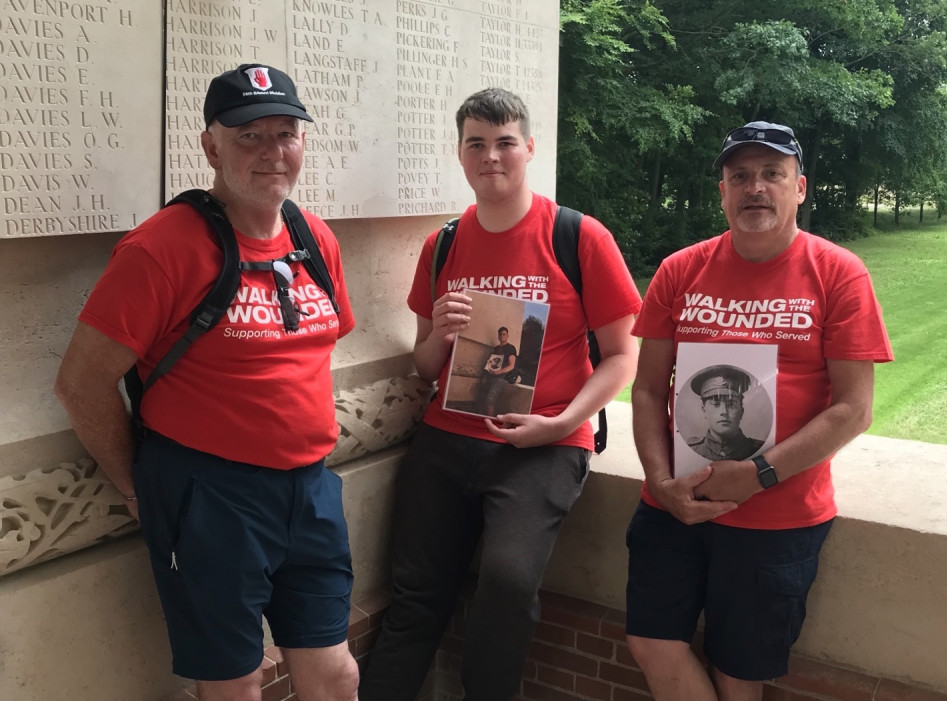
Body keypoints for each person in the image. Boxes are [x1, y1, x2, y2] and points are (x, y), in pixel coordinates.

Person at [54, 64, 359, 701]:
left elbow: (319, 349)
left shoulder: (314, 238)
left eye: (286, 133)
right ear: (210, 145)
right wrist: (134, 484)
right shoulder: (161, 248)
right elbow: (81, 385)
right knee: (233, 685)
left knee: (335, 673)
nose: (272, 152)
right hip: (210, 497)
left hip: (310, 490)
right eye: (249, 135)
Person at [358, 87, 642, 701]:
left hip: (544, 443)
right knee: (416, 595)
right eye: (477, 144)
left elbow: (623, 355)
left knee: (508, 586)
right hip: (448, 436)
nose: (492, 156)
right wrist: (443, 327)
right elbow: (426, 363)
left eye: (505, 142)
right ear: (460, 155)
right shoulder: (443, 245)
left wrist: (562, 421)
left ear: (529, 148)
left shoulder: (579, 236)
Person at [627, 121, 893, 701]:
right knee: (651, 641)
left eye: (772, 174)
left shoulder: (839, 273)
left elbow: (854, 409)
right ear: (721, 190)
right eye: (740, 176)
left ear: (799, 187)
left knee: (738, 671)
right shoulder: (679, 271)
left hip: (778, 516)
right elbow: (647, 389)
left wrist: (757, 474)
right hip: (674, 503)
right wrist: (660, 481)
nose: (755, 187)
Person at [686, 365, 764, 461]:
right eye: (715, 404)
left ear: (741, 412)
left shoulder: (761, 449)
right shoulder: (691, 449)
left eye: (731, 404)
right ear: (704, 410)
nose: (723, 412)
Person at [480, 326, 518, 415]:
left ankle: (490, 420)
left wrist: (499, 372)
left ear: (508, 335)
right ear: (498, 336)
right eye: (500, 334)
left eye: (504, 334)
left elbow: (511, 366)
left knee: (490, 399)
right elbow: (489, 363)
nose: (502, 336)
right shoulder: (496, 349)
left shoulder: (511, 348)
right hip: (490, 377)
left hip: (501, 378)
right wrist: (485, 376)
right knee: (482, 399)